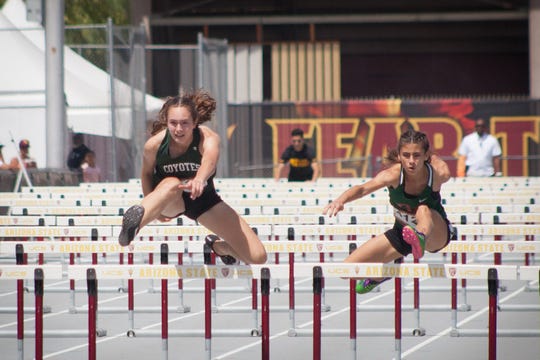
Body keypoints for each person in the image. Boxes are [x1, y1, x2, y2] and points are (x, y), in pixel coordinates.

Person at [118, 89, 267, 265]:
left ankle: (221, 247)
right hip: (169, 199)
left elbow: (210, 162)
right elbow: (146, 174)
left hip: (203, 200)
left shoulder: (208, 138)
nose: (179, 129)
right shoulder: (154, 145)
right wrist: (153, 208)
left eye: (184, 123)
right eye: (173, 123)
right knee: (172, 183)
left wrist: (200, 179)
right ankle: (134, 226)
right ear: (166, 122)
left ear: (195, 122)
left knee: (258, 257)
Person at [323, 129, 454, 294]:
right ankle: (382, 274)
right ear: (399, 156)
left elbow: (443, 168)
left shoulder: (437, 174)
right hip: (402, 232)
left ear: (425, 155)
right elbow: (362, 189)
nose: (411, 161)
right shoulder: (392, 175)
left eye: (417, 155)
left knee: (423, 209)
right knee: (346, 270)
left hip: (436, 234)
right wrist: (340, 200)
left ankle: (419, 237)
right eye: (406, 155)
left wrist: (433, 157)